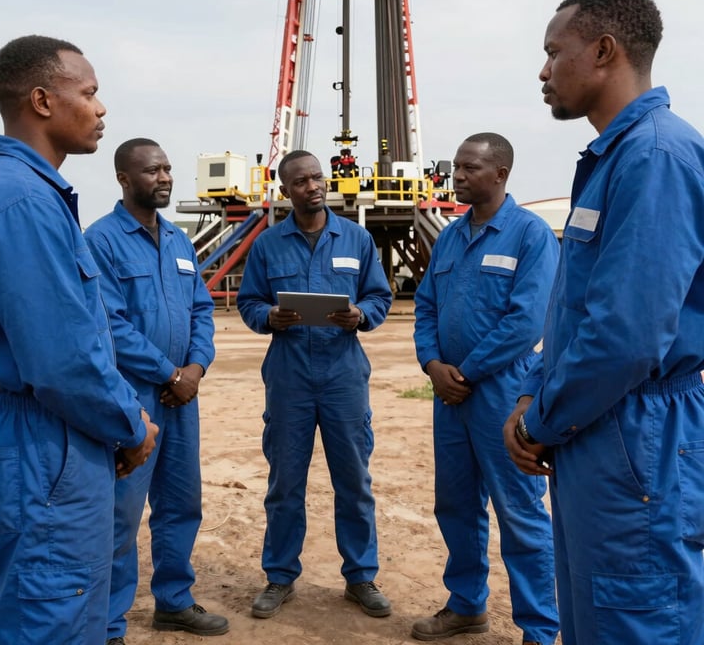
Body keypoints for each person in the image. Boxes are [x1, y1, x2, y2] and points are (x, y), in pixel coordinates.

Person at [504, 0, 704, 645]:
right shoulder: (613, 158)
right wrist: (536, 387)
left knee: (639, 616)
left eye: (553, 52)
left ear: (604, 51)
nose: (542, 70)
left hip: (634, 434)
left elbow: (628, 335)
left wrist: (541, 419)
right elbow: (577, 310)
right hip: (599, 428)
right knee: (595, 609)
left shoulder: (655, 157)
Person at [0, 35, 159, 645]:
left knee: (44, 607)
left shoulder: (29, 194)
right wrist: (130, 423)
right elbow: (63, 360)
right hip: (40, 441)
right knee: (48, 615)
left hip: (43, 437)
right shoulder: (21, 204)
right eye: (88, 93)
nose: (100, 108)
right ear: (42, 100)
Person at [411, 133, 560, 645]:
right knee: (455, 505)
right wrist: (432, 364)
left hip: (503, 393)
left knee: (519, 512)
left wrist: (466, 373)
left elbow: (527, 322)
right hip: (449, 396)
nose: (458, 176)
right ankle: (467, 605)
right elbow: (425, 304)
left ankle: (539, 630)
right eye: (456, 167)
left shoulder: (530, 235)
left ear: (500, 174)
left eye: (470, 168)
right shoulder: (450, 237)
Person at [236, 149, 393, 619]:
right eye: (302, 181)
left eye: (318, 177)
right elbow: (248, 303)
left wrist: (361, 315)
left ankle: (361, 576)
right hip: (289, 376)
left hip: (343, 373)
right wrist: (269, 316)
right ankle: (279, 576)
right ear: (286, 192)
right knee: (285, 481)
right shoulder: (267, 245)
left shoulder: (358, 239)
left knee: (354, 480)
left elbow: (379, 295)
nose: (314, 186)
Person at [84, 139, 229, 643]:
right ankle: (107, 623)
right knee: (121, 512)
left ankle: (174, 600)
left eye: (167, 169)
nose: (165, 178)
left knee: (181, 503)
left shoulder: (179, 240)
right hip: (132, 401)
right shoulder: (100, 240)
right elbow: (110, 324)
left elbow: (202, 310)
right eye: (152, 171)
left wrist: (196, 368)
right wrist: (169, 374)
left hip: (181, 398)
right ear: (124, 179)